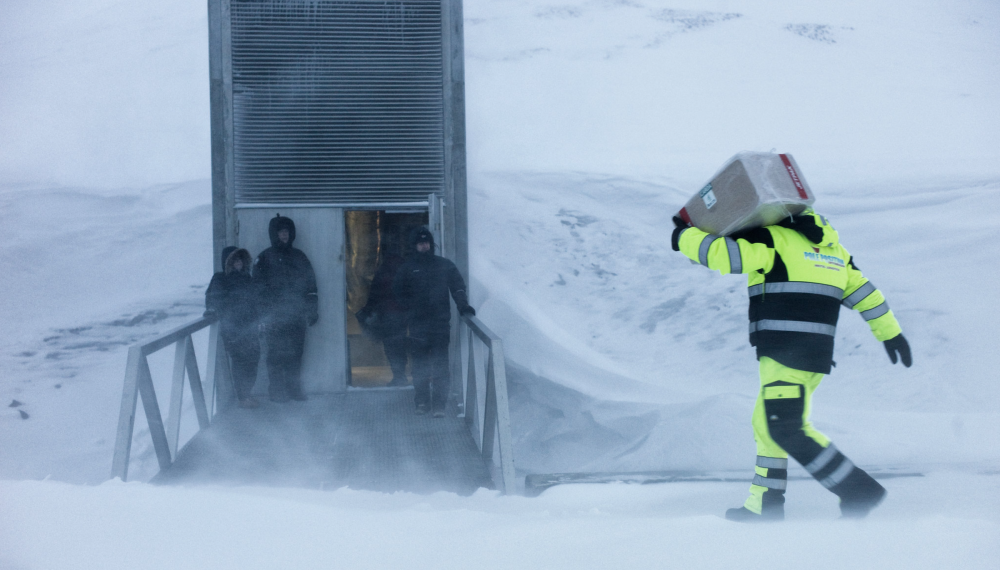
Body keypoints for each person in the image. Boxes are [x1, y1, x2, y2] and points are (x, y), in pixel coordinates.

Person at [671, 209, 912, 522]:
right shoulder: (834, 252)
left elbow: (726, 256)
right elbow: (867, 294)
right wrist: (891, 333)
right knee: (766, 423)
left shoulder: (774, 238)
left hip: (785, 352)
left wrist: (683, 236)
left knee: (784, 427)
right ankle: (765, 505)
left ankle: (856, 489)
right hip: (814, 356)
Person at [392, 227, 475, 417]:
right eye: (421, 243)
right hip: (417, 326)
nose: (424, 245)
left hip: (439, 325)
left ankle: (439, 404)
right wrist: (409, 308)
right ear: (414, 245)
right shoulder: (407, 268)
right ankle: (421, 402)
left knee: (440, 365)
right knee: (420, 366)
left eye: (427, 242)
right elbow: (396, 292)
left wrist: (463, 306)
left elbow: (458, 288)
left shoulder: (444, 265)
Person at [253, 214, 318, 403]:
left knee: (296, 354)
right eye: (281, 232)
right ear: (274, 234)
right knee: (275, 355)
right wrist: (263, 315)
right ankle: (276, 391)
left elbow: (311, 287)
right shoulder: (264, 258)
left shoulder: (300, 257)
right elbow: (257, 290)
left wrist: (312, 310)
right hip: (275, 318)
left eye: (287, 232)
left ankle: (294, 390)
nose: (284, 235)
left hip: (296, 316)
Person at [205, 247, 262, 409]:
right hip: (233, 330)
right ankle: (242, 397)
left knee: (253, 361)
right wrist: (212, 310)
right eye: (234, 260)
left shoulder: (247, 279)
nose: (238, 263)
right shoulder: (220, 278)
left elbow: (255, 302)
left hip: (250, 328)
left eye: (240, 259)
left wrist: (260, 320)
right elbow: (213, 297)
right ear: (227, 262)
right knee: (241, 363)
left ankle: (246, 393)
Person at [357, 235, 409, 387]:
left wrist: (367, 310)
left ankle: (398, 376)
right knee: (400, 345)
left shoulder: (384, 269)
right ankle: (403, 376)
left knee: (391, 347)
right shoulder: (405, 268)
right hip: (402, 314)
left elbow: (375, 293)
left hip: (387, 314)